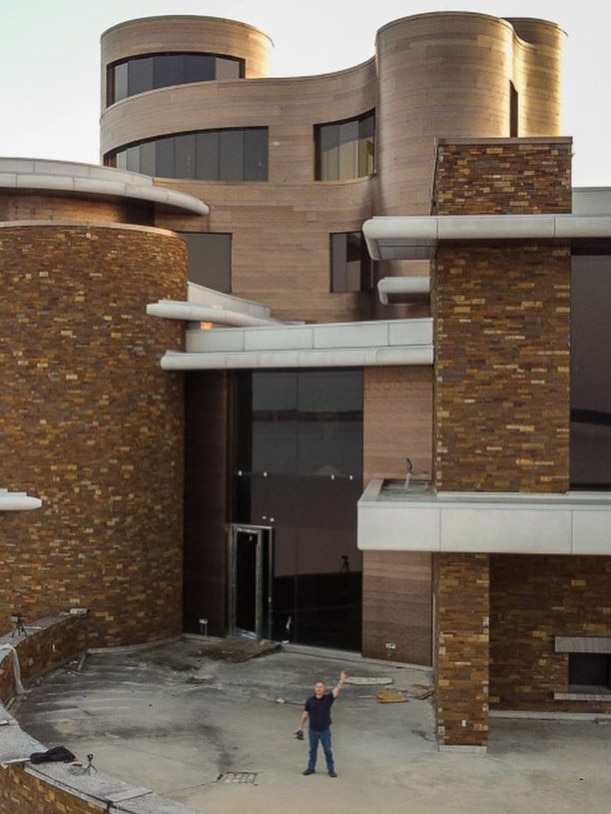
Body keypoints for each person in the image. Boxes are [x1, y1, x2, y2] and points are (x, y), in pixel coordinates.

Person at [295, 669, 347, 778]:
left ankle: (331, 770)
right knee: (312, 750)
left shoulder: (328, 699)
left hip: (325, 731)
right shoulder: (310, 700)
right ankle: (311, 768)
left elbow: (336, 690)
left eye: (321, 687)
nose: (319, 689)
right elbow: (305, 714)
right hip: (313, 730)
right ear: (314, 689)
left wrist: (341, 681)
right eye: (317, 687)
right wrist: (300, 727)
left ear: (324, 689)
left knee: (327, 750)